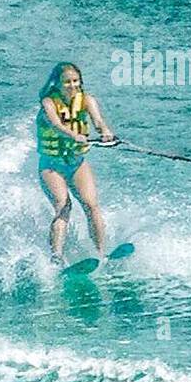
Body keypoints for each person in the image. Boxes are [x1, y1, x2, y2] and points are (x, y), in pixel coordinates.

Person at [36, 62, 116, 264]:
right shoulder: (48, 102)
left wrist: (105, 132)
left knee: (91, 205)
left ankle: (101, 253)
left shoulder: (87, 100)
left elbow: (98, 122)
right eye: (67, 82)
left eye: (75, 81)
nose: (72, 85)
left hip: (76, 163)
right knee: (64, 206)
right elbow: (55, 124)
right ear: (58, 83)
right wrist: (73, 135)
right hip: (52, 165)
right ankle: (56, 258)